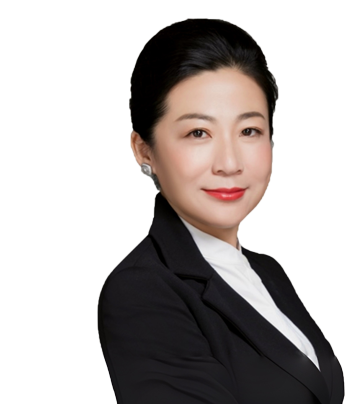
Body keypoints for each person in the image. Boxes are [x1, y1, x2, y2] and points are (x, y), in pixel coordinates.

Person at [97, 18, 345, 404]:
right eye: (198, 133)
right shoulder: (142, 290)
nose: (229, 163)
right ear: (144, 150)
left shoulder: (267, 272)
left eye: (249, 131)